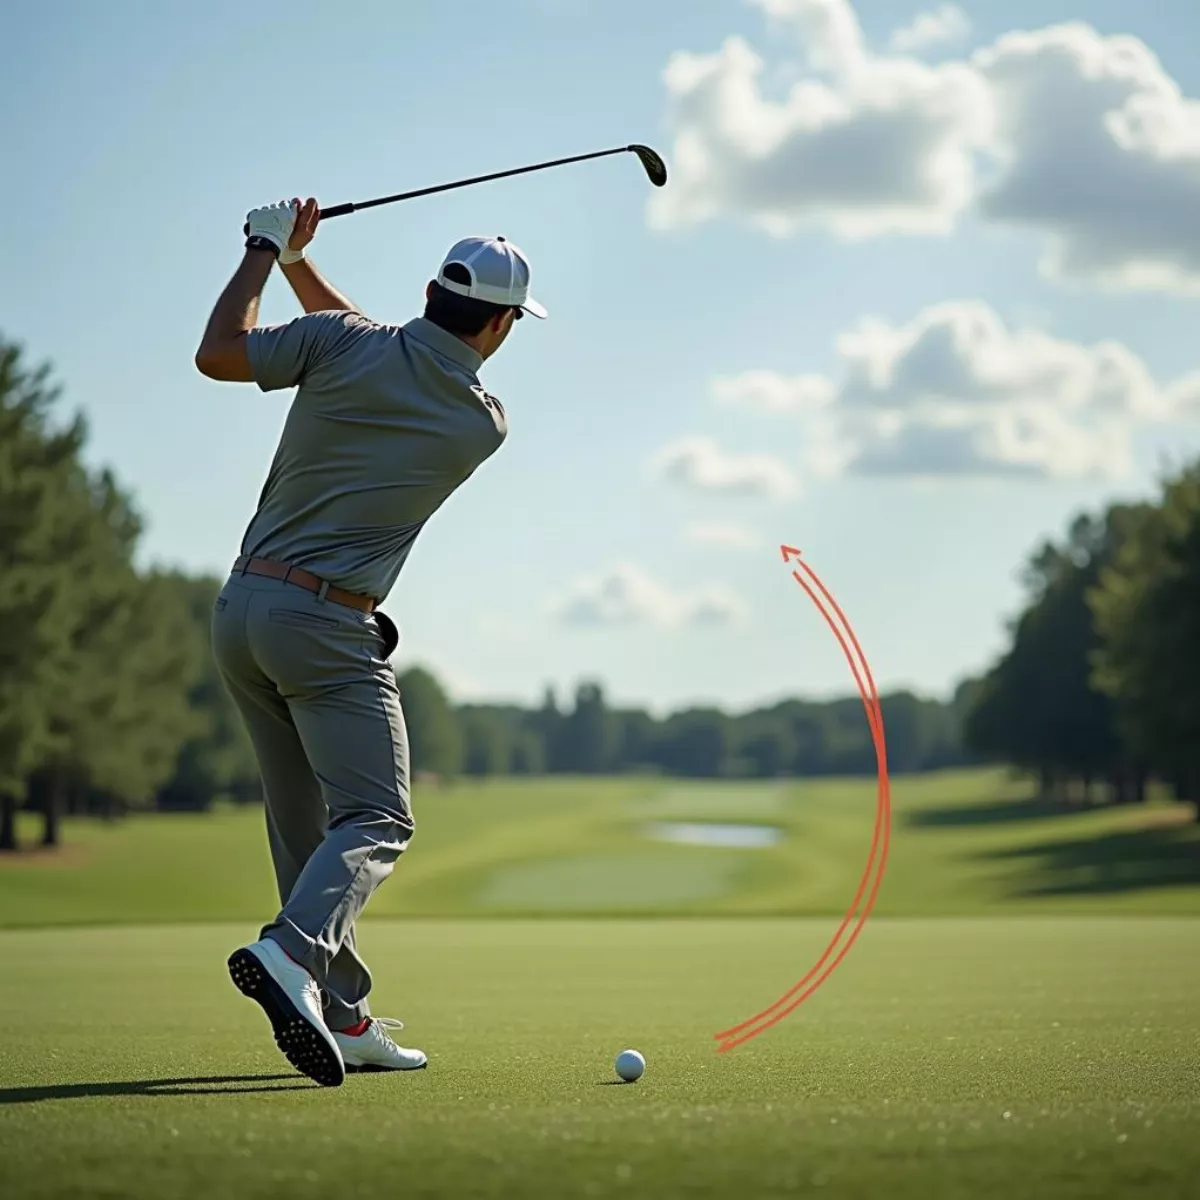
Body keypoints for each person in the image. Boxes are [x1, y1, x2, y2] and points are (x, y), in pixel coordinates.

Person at [194, 197, 545, 1087]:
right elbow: (363, 334)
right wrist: (291, 261)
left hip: (241, 612)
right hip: (325, 626)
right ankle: (292, 952)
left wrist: (268, 252)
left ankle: (342, 1012)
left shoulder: (339, 345)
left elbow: (222, 352)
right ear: (503, 326)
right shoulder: (481, 423)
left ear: (430, 291)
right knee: (378, 817)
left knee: (305, 828)